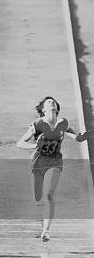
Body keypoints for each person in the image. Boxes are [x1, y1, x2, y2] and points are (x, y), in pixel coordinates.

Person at [17, 96, 89, 242]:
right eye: (48, 102)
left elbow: (77, 138)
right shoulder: (37, 125)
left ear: (57, 108)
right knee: (38, 198)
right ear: (43, 109)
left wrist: (84, 136)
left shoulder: (64, 123)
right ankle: (42, 210)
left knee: (49, 195)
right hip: (37, 163)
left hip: (55, 162)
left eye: (53, 101)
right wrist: (34, 146)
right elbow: (20, 143)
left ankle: (46, 231)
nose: (51, 102)